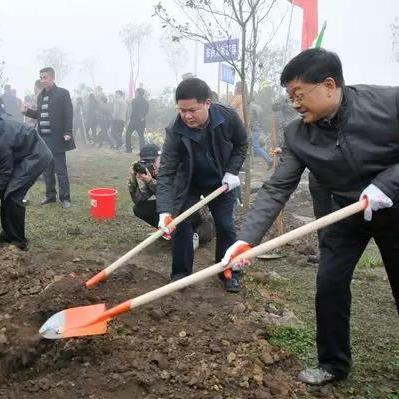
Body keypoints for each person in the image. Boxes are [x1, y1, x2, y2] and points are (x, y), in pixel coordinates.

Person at [222, 48, 399, 385]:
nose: (294, 103)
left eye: (299, 94)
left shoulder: (388, 103)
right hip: (344, 213)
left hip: (395, 205)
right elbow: (276, 188)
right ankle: (333, 364)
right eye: (290, 96)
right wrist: (246, 239)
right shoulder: (297, 134)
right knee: (329, 283)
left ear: (329, 85)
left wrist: (386, 184)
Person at [156, 78, 247, 292]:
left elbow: (242, 144)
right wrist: (164, 211)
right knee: (181, 224)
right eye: (182, 110)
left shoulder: (227, 116)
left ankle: (228, 272)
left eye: (192, 110)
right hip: (189, 182)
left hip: (221, 181)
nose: (187, 116)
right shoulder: (175, 130)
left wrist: (232, 171)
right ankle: (180, 274)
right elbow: (167, 172)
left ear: (207, 103)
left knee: (225, 225)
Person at [128, 143, 214, 247]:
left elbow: (174, 196)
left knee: (199, 231)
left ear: (161, 157)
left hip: (197, 215)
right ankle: (171, 232)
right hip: (176, 211)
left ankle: (192, 235)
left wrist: (151, 181)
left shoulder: (175, 167)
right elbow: (139, 199)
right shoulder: (153, 173)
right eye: (145, 162)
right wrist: (133, 180)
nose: (149, 165)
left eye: (152, 161)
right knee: (140, 208)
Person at [23, 67, 75, 209]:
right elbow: (40, 116)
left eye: (45, 77)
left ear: (52, 77)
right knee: (47, 169)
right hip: (43, 138)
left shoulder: (63, 93)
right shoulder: (41, 96)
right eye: (41, 78)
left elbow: (68, 114)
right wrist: (27, 112)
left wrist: (68, 132)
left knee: (61, 169)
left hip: (57, 138)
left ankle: (65, 198)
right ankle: (50, 195)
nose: (42, 80)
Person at [0, 114, 52, 250]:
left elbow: (5, 171)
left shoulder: (3, 139)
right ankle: (8, 234)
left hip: (36, 156)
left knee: (12, 194)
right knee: (7, 193)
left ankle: (18, 241)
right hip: (23, 155)